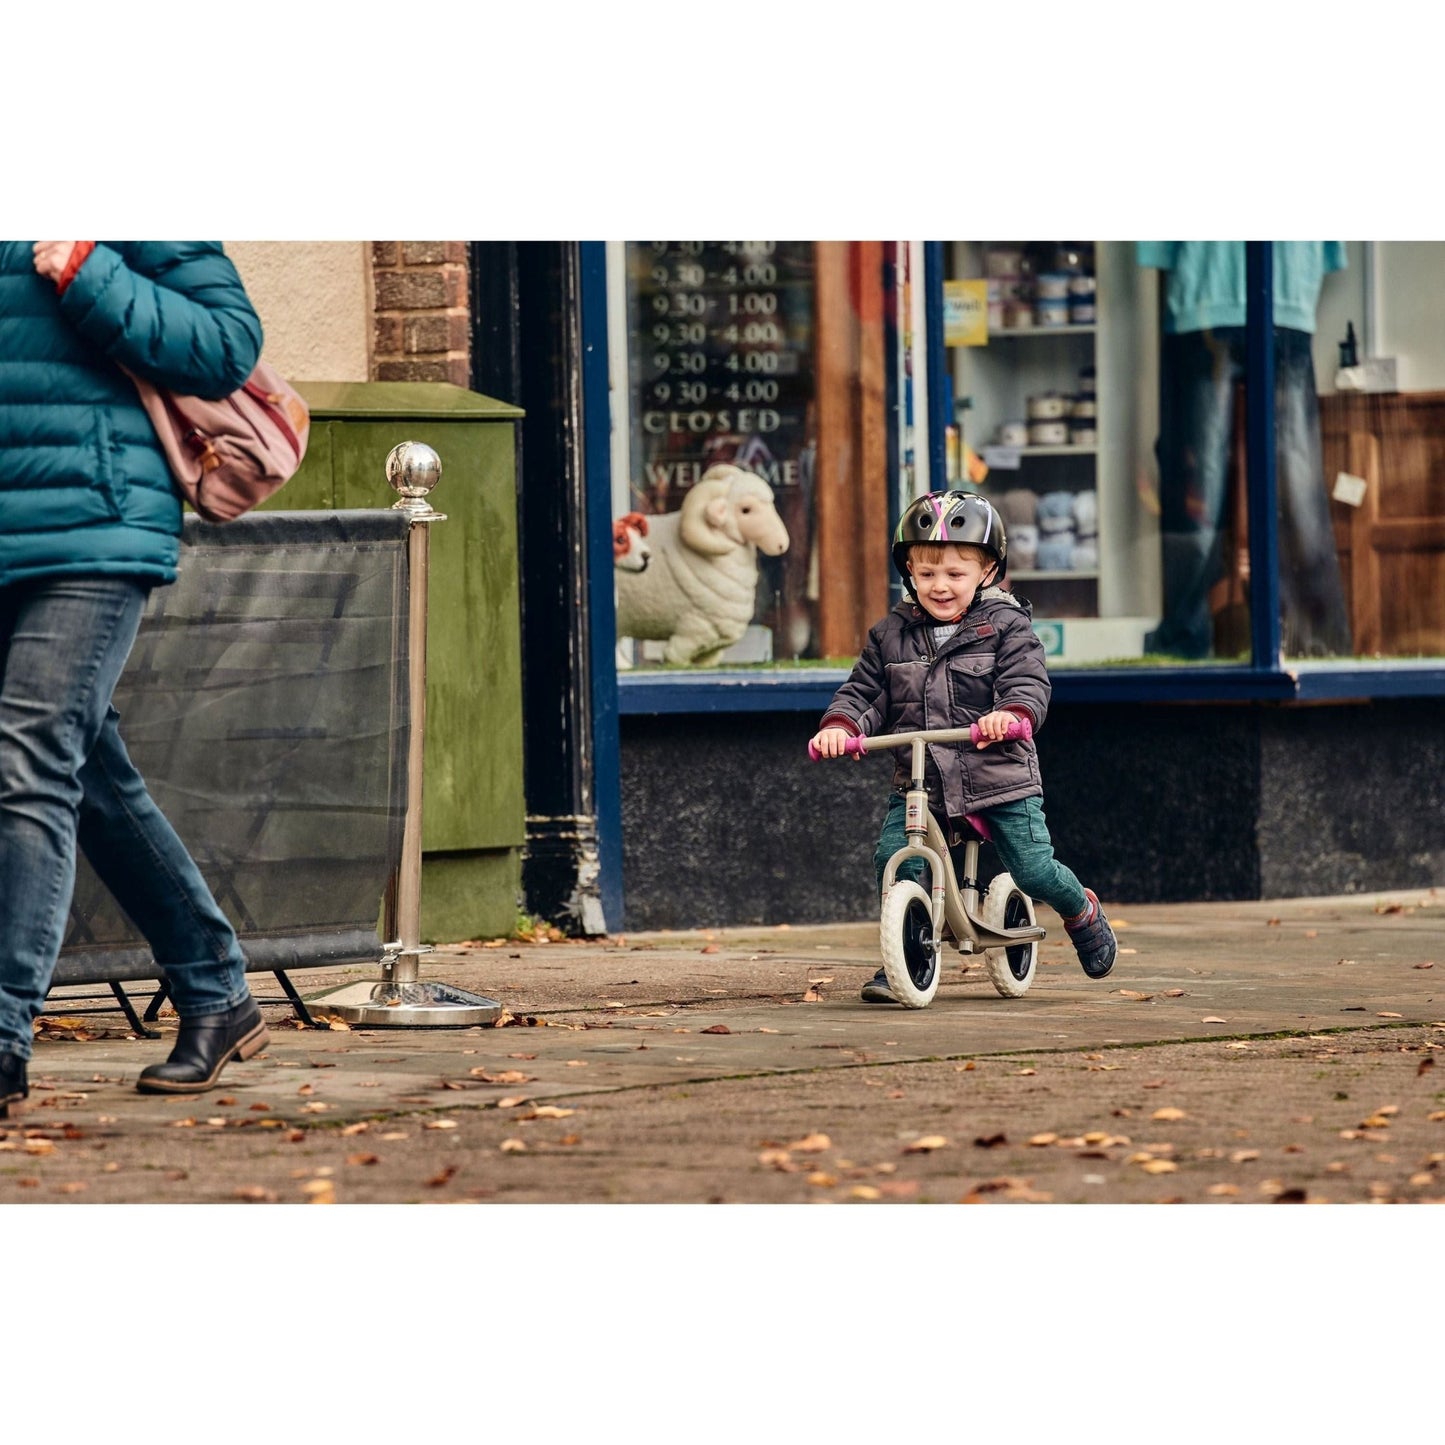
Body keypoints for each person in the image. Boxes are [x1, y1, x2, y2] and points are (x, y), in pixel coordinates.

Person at [0, 241, 269, 1118]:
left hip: (96, 523)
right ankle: (216, 989)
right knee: (88, 775)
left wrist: (88, 270)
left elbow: (226, 343)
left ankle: (2, 1035)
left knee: (29, 758)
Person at [810, 490, 1116, 1004]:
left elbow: (1027, 682)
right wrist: (840, 725)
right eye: (927, 573)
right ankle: (904, 955)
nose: (940, 586)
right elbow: (864, 691)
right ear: (908, 571)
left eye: (955, 573)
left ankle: (1080, 910)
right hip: (920, 780)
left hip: (998, 778)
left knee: (1032, 869)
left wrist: (1011, 714)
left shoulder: (1007, 627)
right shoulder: (890, 635)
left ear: (988, 571)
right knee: (896, 859)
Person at [1138, 242, 1352, 660]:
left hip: (1217, 297)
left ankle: (1186, 638)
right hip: (1268, 298)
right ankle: (1315, 639)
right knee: (1276, 479)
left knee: (1220, 483)